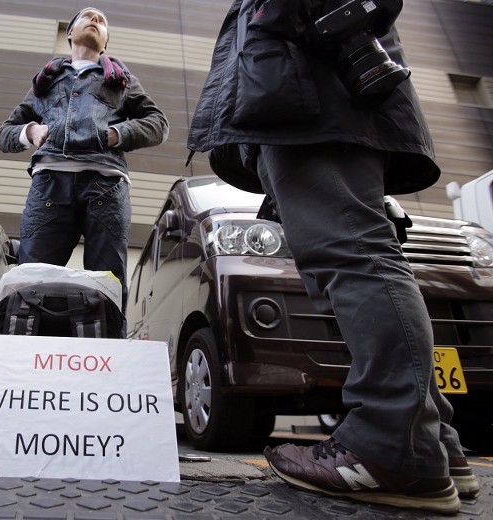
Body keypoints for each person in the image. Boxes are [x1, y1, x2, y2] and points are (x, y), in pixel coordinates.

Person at [187, 0, 478, 514]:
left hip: (311, 98)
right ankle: (431, 444)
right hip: (308, 95)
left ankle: (392, 447)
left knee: (353, 256)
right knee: (357, 256)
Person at [0, 7, 168, 311]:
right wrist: (31, 131)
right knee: (31, 279)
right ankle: (27, 351)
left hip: (106, 186)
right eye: (88, 16)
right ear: (70, 33)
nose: (96, 20)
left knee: (107, 283)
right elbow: (5, 133)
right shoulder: (45, 82)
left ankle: (104, 355)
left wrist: (116, 134)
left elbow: (158, 123)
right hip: (49, 185)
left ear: (105, 44)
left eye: (102, 20)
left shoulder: (121, 80)